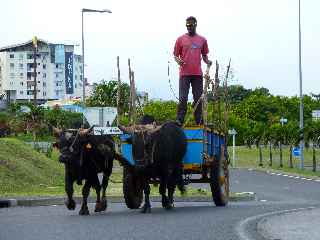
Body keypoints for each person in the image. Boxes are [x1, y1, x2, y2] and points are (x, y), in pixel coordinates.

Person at [173, 16, 212, 126]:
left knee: (198, 97)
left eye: (191, 25)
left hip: (197, 74)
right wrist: (178, 61)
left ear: (195, 24)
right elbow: (175, 55)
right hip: (184, 74)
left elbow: (204, 56)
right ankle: (180, 119)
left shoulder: (202, 40)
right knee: (183, 97)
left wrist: (208, 62)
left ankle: (199, 120)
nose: (189, 27)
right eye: (187, 26)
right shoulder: (180, 39)